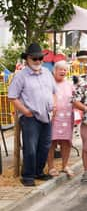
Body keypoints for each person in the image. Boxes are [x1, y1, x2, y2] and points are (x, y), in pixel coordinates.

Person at [9, 43, 57, 186]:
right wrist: (25, 112)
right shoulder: (21, 76)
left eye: (40, 58)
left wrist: (54, 106)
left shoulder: (47, 73)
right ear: (27, 59)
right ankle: (28, 176)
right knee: (30, 147)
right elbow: (12, 97)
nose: (37, 61)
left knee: (45, 146)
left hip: (46, 116)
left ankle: (38, 172)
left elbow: (54, 92)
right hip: (31, 117)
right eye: (34, 58)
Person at [46, 60, 75, 178]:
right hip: (53, 117)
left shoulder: (70, 84)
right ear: (54, 71)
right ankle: (51, 167)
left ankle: (65, 165)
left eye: (64, 69)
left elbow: (76, 99)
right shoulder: (49, 83)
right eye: (60, 69)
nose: (63, 71)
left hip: (67, 117)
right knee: (51, 142)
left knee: (66, 142)